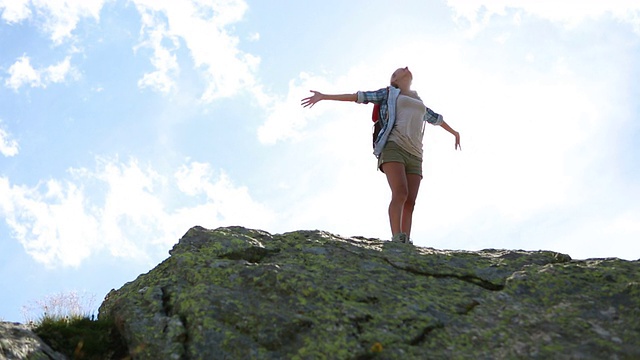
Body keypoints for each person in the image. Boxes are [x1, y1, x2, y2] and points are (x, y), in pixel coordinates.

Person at [301, 67, 461, 244]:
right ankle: (396, 237)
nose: (406, 68)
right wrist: (324, 96)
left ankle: (405, 242)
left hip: (416, 153)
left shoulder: (418, 101)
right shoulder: (388, 94)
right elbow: (358, 96)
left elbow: (436, 118)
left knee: (410, 202)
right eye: (400, 70)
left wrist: (455, 132)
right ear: (395, 79)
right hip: (393, 147)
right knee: (400, 193)